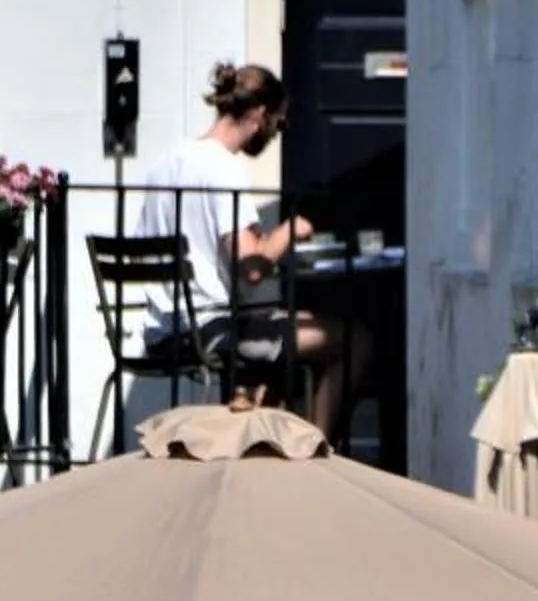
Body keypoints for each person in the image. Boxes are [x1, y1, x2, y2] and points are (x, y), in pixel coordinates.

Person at [132, 62, 374, 441]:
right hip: (210, 331)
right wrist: (292, 230)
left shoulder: (165, 163)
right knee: (354, 337)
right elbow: (253, 268)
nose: (275, 134)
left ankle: (264, 442)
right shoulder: (221, 168)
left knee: (274, 345)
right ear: (260, 115)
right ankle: (315, 454)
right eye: (277, 124)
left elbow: (141, 255)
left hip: (162, 329)